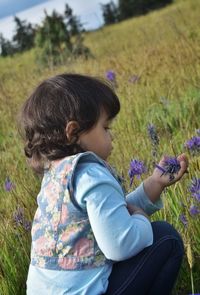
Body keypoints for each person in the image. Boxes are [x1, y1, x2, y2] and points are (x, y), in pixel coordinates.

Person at [20, 73, 188, 295]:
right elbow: (120, 244)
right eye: (105, 128)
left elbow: (110, 216)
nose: (111, 137)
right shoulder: (92, 175)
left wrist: (154, 184)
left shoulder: (57, 176)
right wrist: (141, 219)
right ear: (73, 132)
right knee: (166, 237)